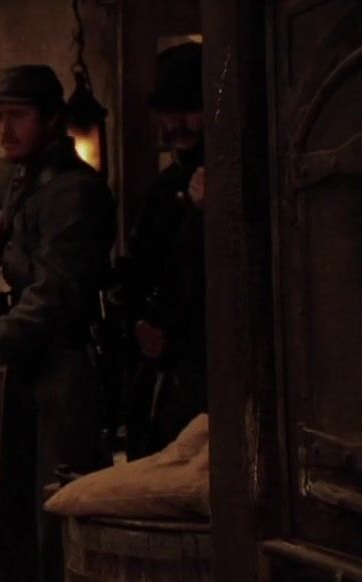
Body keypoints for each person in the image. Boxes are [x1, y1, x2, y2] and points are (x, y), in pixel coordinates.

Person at [0, 64, 117, 581]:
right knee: (17, 504)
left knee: (59, 510)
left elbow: (56, 292)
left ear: (51, 120)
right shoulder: (17, 180)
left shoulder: (76, 192)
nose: (5, 130)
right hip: (28, 361)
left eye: (17, 116)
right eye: (0, 116)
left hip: (67, 364)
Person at [122, 41, 206, 459]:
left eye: (189, 109)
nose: (177, 124)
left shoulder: (239, 180)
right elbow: (141, 269)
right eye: (169, 112)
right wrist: (140, 323)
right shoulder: (161, 189)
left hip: (209, 369)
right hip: (163, 372)